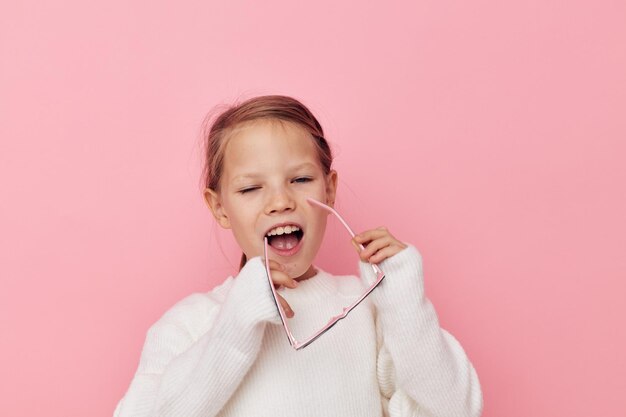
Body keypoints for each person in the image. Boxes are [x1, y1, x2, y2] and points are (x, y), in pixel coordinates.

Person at [113, 95, 483, 417]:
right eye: (251, 188)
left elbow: (454, 411)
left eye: (301, 180)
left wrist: (405, 305)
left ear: (330, 189)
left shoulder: (368, 310)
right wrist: (233, 329)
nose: (280, 201)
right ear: (219, 207)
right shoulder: (192, 323)